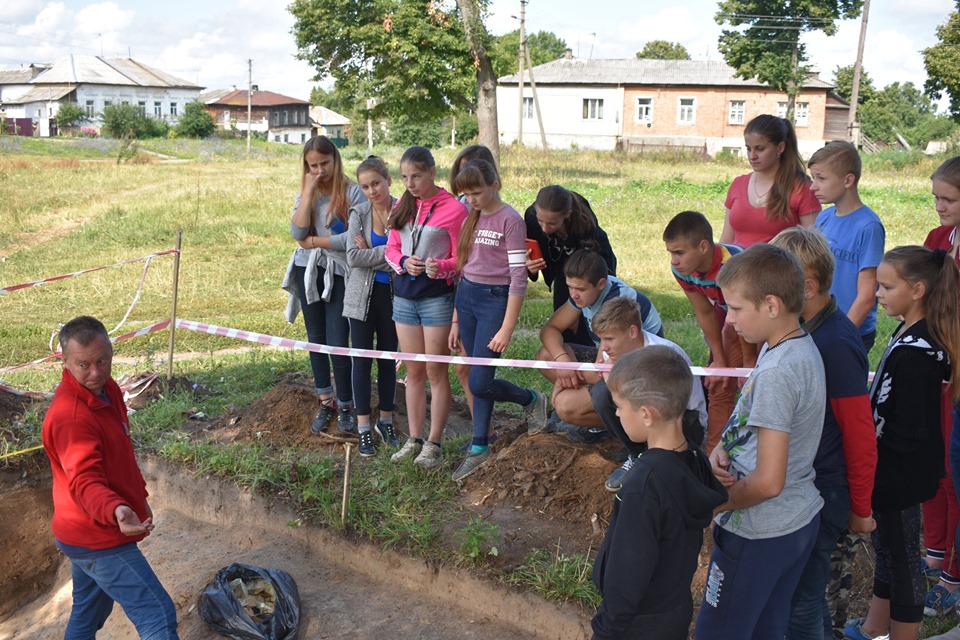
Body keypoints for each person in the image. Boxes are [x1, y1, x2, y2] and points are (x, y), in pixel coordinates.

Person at [695, 244, 826, 640]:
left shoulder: (779, 371)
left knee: (717, 632)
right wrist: (722, 448)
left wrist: (711, 505)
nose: (728, 320)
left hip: (757, 531)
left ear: (771, 305)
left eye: (735, 309)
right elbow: (751, 420)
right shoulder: (789, 345)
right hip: (793, 522)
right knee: (767, 628)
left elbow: (768, 482)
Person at [768, 227, 878, 640]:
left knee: (805, 603)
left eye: (772, 284)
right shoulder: (802, 331)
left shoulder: (835, 343)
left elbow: (860, 433)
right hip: (806, 488)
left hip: (827, 492)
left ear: (807, 286)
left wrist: (861, 507)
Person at [845, 246, 960, 640]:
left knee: (903, 556)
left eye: (886, 286)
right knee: (891, 551)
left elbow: (906, 429)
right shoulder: (910, 332)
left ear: (918, 290)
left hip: (898, 473)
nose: (877, 293)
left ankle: (904, 634)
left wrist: (878, 466)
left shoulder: (918, 354)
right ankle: (876, 625)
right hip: (893, 471)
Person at [41, 316, 179, 639]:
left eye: (102, 361)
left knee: (90, 612)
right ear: (65, 361)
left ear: (111, 352)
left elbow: (119, 457)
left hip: (81, 532)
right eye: (84, 365)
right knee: (157, 613)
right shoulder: (71, 417)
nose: (95, 372)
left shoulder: (107, 390)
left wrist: (136, 498)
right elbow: (85, 481)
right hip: (97, 536)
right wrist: (116, 510)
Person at [591, 346, 728, 640]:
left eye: (618, 406)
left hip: (635, 622)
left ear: (646, 414)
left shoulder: (643, 484)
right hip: (673, 609)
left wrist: (606, 630)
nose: (615, 413)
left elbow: (629, 570)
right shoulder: (694, 458)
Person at [446, 159, 549, 481]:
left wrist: (507, 327)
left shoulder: (511, 221)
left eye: (476, 192)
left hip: (495, 300)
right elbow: (463, 270)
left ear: (495, 184)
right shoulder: (470, 217)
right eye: (466, 194)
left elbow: (518, 278)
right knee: (477, 377)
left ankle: (531, 399)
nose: (471, 199)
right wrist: (454, 320)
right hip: (467, 298)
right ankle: (480, 445)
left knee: (480, 381)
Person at [385, 145, 468, 469]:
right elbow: (390, 250)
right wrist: (405, 261)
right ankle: (413, 439)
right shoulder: (402, 206)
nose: (410, 183)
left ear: (432, 172)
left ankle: (434, 443)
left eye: (416, 176)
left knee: (436, 371)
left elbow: (462, 259)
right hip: (404, 298)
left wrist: (442, 267)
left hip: (437, 300)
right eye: (405, 177)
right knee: (413, 371)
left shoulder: (454, 209)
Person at [282, 135, 366, 435]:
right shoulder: (308, 191)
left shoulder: (353, 193)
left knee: (338, 340)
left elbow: (355, 237)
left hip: (340, 273)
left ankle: (346, 403)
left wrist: (316, 241)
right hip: (308, 270)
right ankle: (326, 399)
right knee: (315, 338)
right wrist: (306, 192)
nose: (319, 171)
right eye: (312, 165)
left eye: (324, 164)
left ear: (336, 160)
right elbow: (296, 230)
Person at [535, 249, 662, 436]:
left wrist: (562, 382)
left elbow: (602, 369)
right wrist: (562, 360)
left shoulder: (617, 303)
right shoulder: (587, 294)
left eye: (580, 289)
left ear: (601, 284)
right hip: (610, 361)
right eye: (570, 287)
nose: (574, 294)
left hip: (640, 372)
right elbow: (549, 330)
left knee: (565, 406)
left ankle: (629, 429)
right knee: (546, 355)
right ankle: (602, 413)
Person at [586, 297, 708, 493]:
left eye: (609, 339)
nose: (604, 348)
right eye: (602, 339)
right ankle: (637, 455)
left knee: (618, 396)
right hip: (652, 415)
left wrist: (611, 378)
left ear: (633, 331)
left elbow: (651, 403)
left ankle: (669, 464)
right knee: (601, 394)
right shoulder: (616, 353)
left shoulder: (660, 354)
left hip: (685, 419)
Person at [662, 210, 744, 452]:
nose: (674, 261)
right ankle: (713, 455)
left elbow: (745, 318)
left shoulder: (733, 265)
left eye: (679, 253)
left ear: (704, 247)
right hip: (729, 315)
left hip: (760, 319)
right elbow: (705, 312)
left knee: (753, 381)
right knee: (718, 381)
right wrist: (719, 359)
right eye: (671, 253)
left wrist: (747, 366)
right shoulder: (682, 270)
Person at [921, 156, 960, 618]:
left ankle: (953, 574)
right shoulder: (936, 242)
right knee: (932, 465)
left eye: (948, 199)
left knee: (954, 475)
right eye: (936, 198)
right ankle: (933, 553)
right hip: (933, 369)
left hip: (957, 377)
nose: (939, 207)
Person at [344, 156, 400, 457]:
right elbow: (353, 257)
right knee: (361, 361)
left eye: (376, 183)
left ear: (388, 179)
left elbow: (409, 253)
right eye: (365, 186)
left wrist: (377, 252)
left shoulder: (405, 210)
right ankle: (364, 427)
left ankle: (386, 421)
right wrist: (390, 253)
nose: (371, 191)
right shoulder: (358, 212)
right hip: (360, 297)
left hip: (394, 297)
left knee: (388, 359)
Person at [809, 140, 885, 353]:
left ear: (848, 180)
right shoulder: (823, 218)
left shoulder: (868, 226)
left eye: (821, 178)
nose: (813, 186)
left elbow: (867, 295)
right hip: (821, 325)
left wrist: (841, 336)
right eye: (813, 178)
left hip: (852, 332)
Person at [525, 185, 618, 345]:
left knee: (587, 323)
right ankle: (568, 359)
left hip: (590, 268)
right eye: (541, 222)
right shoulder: (532, 216)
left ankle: (594, 357)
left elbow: (596, 272)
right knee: (564, 324)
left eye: (552, 223)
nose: (545, 229)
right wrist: (530, 268)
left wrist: (578, 308)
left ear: (567, 215)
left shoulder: (585, 224)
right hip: (561, 270)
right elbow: (531, 252)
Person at [448, 144, 498, 427]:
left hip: (482, 297)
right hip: (456, 291)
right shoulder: (459, 208)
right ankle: (483, 431)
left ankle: (484, 432)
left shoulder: (499, 216)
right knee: (463, 369)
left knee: (474, 370)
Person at [720, 114, 822, 248]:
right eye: (748, 149)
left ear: (780, 148)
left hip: (782, 268)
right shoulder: (738, 184)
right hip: (735, 267)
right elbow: (726, 242)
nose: (752, 156)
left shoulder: (802, 189)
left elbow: (813, 248)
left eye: (760, 149)